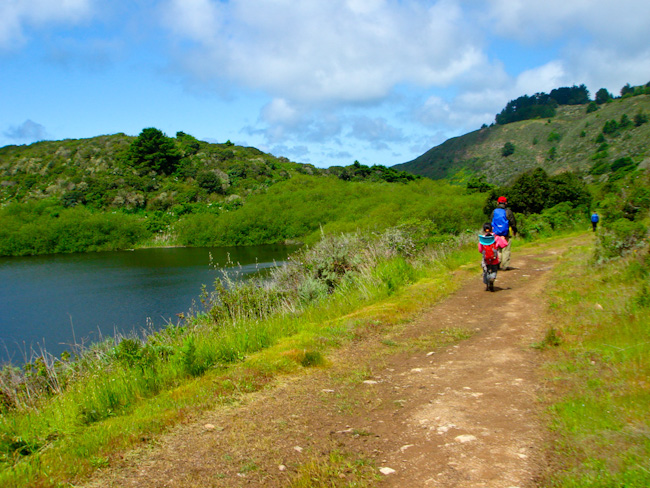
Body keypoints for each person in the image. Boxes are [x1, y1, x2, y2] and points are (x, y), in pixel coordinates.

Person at [478, 222, 508, 292]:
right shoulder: (496, 237)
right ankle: (492, 278)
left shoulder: (482, 238)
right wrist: (503, 238)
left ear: (484, 229)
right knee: (494, 270)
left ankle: (488, 283)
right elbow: (504, 244)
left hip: (486, 259)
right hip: (494, 259)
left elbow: (480, 250)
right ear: (492, 229)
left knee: (486, 271)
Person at [490, 196, 517, 270]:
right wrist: (515, 231)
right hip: (506, 234)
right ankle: (505, 266)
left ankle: (497, 264)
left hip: (496, 234)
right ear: (506, 203)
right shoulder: (508, 211)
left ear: (497, 203)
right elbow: (513, 223)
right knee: (506, 249)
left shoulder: (494, 211)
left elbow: (491, 222)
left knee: (498, 249)